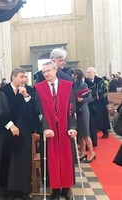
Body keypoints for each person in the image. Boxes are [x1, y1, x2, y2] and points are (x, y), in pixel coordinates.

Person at [0, 68, 38, 200]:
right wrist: (10, 125)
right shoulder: (2, 92)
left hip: (24, 132)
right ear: (13, 77)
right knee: (8, 161)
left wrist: (26, 97)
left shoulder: (29, 91)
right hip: (6, 132)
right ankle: (8, 191)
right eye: (21, 77)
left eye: (25, 77)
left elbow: (34, 111)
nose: (24, 79)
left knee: (23, 161)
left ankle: (24, 190)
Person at [35, 61, 77, 200]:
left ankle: (66, 189)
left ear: (55, 70)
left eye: (48, 71)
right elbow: (39, 111)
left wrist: (72, 127)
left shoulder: (67, 86)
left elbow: (72, 108)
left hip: (65, 129)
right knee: (51, 159)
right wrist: (45, 128)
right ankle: (55, 190)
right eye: (44, 72)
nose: (46, 74)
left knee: (66, 158)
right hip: (49, 130)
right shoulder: (39, 88)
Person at [72, 69, 96, 163]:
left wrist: (82, 99)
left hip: (83, 110)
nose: (72, 76)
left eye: (73, 74)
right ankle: (83, 152)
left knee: (85, 133)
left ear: (76, 75)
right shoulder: (74, 85)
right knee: (79, 134)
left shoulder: (83, 84)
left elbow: (90, 97)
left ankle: (92, 152)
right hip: (77, 110)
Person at [85, 67, 111, 143]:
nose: (89, 74)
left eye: (90, 72)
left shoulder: (100, 80)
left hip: (99, 102)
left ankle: (105, 131)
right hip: (91, 102)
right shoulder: (86, 81)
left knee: (101, 117)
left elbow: (103, 90)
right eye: (88, 72)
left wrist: (95, 92)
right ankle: (94, 131)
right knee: (92, 118)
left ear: (94, 73)